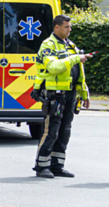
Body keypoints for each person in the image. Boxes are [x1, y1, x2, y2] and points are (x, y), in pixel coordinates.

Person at [33, 14, 91, 179]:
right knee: (51, 131)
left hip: (70, 93)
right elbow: (53, 67)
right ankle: (42, 166)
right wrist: (76, 58)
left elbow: (79, 73)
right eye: (67, 27)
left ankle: (57, 165)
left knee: (64, 131)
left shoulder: (70, 45)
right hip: (55, 94)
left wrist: (84, 94)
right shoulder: (48, 45)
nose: (69, 30)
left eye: (70, 26)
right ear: (56, 27)